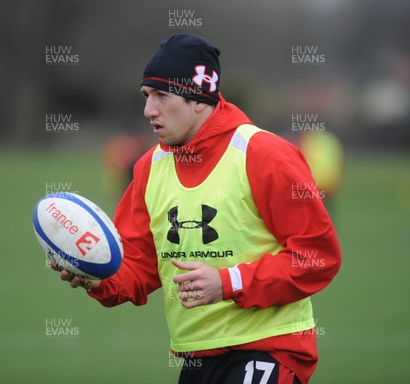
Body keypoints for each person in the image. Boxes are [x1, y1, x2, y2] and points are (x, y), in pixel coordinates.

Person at [52, 34, 341, 384]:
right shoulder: (149, 167)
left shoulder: (264, 154)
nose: (148, 110)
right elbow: (137, 267)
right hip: (196, 357)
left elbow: (318, 256)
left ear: (199, 99)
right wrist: (95, 275)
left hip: (270, 350)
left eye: (162, 96)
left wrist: (227, 282)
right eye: (146, 96)